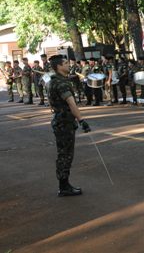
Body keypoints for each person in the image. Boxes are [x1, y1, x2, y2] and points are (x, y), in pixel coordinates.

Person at [47, 54, 91, 196]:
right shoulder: (62, 83)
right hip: (64, 122)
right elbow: (71, 103)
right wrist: (81, 120)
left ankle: (64, 185)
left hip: (59, 119)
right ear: (59, 66)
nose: (68, 64)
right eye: (65, 63)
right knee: (66, 155)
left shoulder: (54, 81)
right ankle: (64, 187)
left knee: (63, 154)